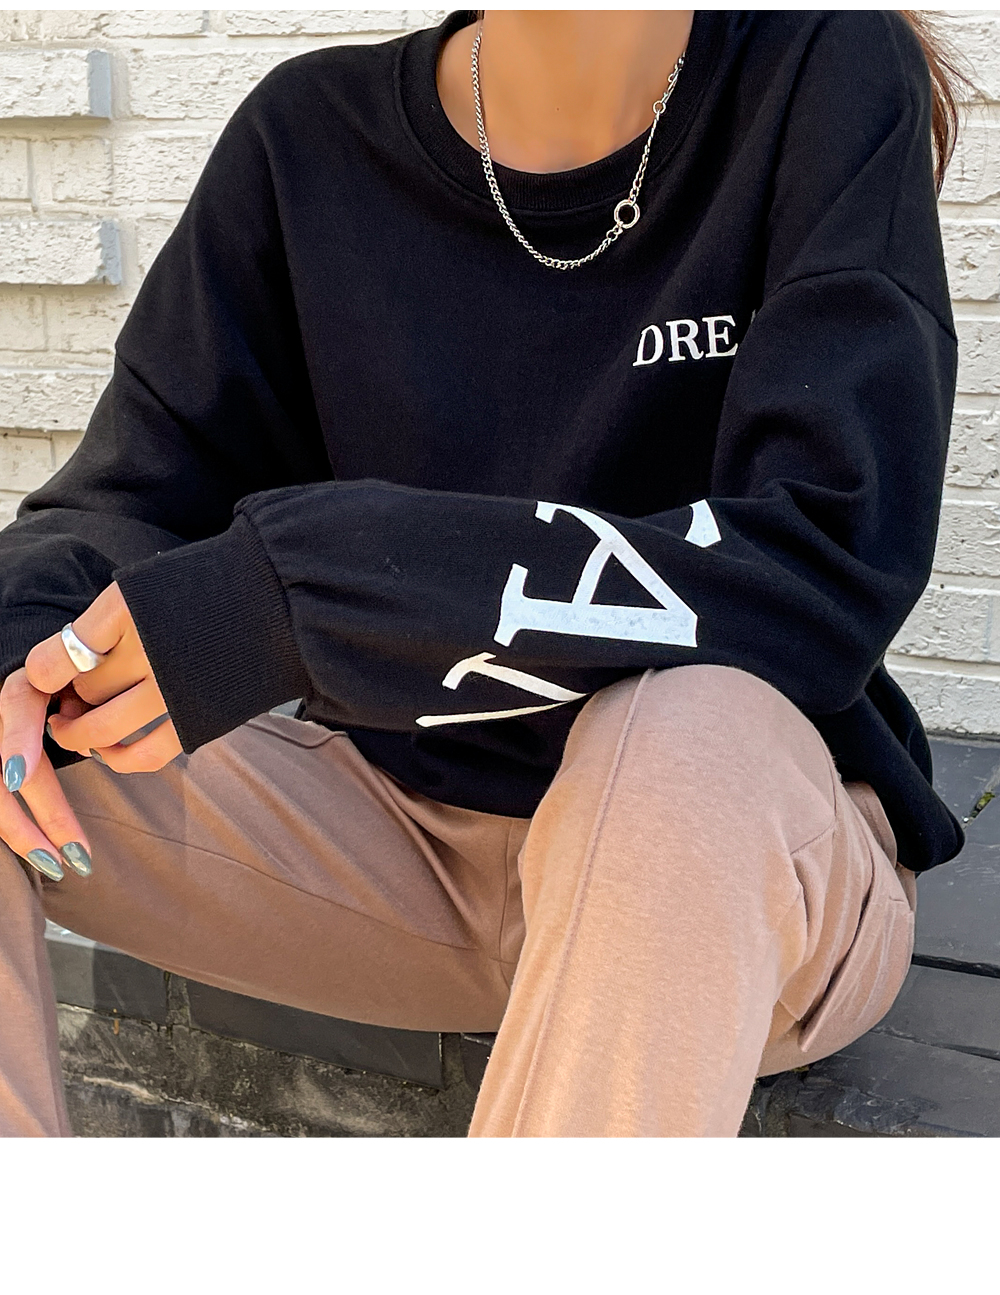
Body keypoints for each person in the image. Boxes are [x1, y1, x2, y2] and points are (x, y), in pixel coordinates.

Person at [0, 9, 969, 1136]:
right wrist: (26, 644)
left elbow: (824, 563)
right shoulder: (305, 134)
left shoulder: (821, 69)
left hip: (721, 879)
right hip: (386, 857)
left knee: (683, 731)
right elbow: (126, 500)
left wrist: (315, 593)